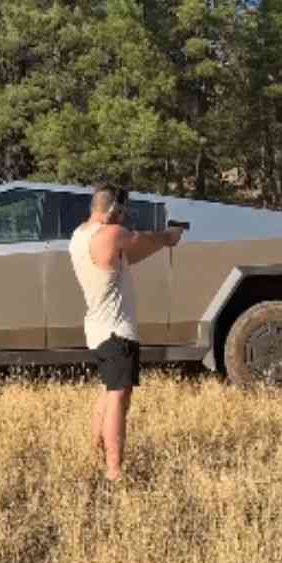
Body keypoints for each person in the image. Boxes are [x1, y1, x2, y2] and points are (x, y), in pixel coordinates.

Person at [70, 185, 183, 482]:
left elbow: (128, 257)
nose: (124, 218)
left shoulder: (80, 236)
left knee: (108, 394)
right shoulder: (111, 234)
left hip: (97, 328)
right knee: (119, 398)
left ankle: (97, 450)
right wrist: (168, 238)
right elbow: (142, 239)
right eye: (121, 212)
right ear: (111, 211)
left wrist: (161, 243)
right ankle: (114, 469)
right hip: (116, 331)